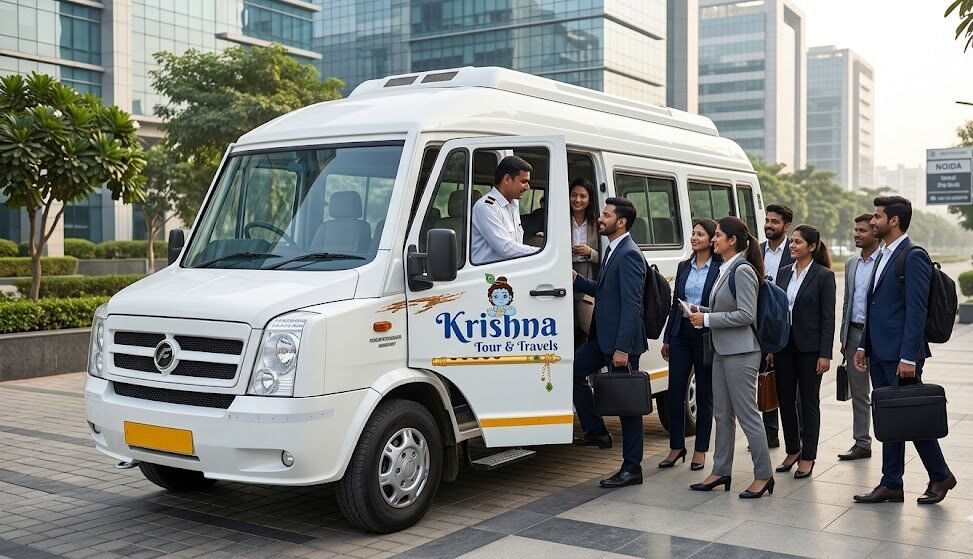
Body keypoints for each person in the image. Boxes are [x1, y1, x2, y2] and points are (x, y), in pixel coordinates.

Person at [854, 196, 956, 505]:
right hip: (880, 350)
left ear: (893, 221)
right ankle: (893, 483)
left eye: (877, 216)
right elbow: (875, 304)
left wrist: (909, 356)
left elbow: (916, 309)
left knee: (910, 416)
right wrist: (863, 345)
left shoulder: (912, 256)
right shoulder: (884, 253)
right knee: (892, 417)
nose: (873, 221)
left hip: (901, 354)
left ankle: (940, 476)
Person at [688, 217, 774, 498]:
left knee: (748, 416)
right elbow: (726, 308)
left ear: (732, 240)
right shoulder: (726, 268)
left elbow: (746, 314)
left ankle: (763, 475)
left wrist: (708, 318)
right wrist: (698, 311)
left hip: (742, 353)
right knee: (722, 415)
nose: (713, 239)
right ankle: (720, 470)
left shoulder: (742, 270)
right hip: (722, 351)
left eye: (718, 235)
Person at [571, 197, 648, 488]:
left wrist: (622, 349)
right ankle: (596, 430)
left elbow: (632, 305)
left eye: (605, 215)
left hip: (619, 344)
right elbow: (605, 292)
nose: (600, 219)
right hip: (601, 339)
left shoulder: (629, 253)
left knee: (629, 407)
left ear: (621, 222)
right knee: (573, 371)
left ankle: (632, 469)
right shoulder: (612, 249)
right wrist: (577, 279)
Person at [771, 225, 836, 480]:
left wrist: (825, 353)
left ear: (812, 247)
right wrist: (771, 347)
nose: (792, 246)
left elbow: (828, 318)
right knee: (785, 399)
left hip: (810, 349)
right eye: (792, 242)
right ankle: (792, 449)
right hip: (784, 346)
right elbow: (776, 312)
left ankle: (808, 456)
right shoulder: (784, 273)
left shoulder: (823, 276)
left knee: (808, 402)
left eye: (798, 242)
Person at [660, 218, 720, 471]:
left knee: (705, 395)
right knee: (674, 392)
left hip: (705, 335)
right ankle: (677, 446)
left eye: (700, 234)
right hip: (681, 334)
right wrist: (667, 338)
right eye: (693, 233)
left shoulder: (720, 268)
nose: (694, 238)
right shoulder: (684, 266)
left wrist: (702, 313)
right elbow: (676, 303)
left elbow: (720, 305)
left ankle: (701, 450)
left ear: (711, 239)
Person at [837, 214, 880, 461]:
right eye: (855, 230)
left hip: (878, 335)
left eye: (862, 230)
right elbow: (847, 302)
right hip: (854, 333)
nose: (856, 234)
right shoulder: (851, 263)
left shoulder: (885, 261)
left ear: (875, 233)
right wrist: (844, 337)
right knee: (859, 391)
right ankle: (862, 442)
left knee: (883, 391)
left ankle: (890, 439)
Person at [759, 204, 795, 449]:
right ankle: (769, 433)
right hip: (761, 324)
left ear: (786, 225)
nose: (769, 225)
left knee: (789, 386)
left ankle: (796, 436)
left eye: (774, 221)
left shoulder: (794, 250)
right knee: (765, 378)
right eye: (767, 220)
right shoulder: (757, 250)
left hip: (786, 326)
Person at [470, 155, 537, 264]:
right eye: (524, 181)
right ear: (507, 179)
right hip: (487, 277)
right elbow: (505, 248)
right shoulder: (486, 206)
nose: (527, 187)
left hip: (508, 272)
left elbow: (516, 245)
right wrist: (543, 253)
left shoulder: (513, 204)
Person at [569, 178, 601, 346]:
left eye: (583, 196)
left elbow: (605, 256)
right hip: (565, 274)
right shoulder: (559, 219)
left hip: (588, 274)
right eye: (574, 195)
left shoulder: (597, 224)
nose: (578, 200)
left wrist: (590, 253)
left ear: (589, 199)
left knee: (589, 330)